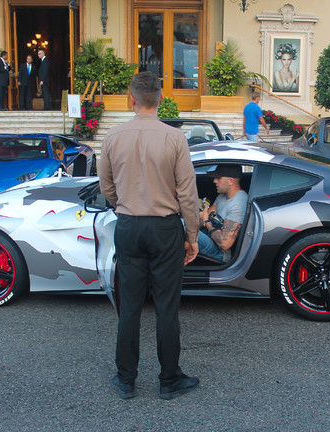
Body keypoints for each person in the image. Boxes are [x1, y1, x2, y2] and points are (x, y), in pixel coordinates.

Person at [99, 71, 200, 401]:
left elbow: (107, 188)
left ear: (131, 99)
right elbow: (187, 193)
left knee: (129, 307)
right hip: (165, 227)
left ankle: (126, 379)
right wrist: (193, 235)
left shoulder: (112, 137)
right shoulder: (174, 138)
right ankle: (169, 380)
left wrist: (123, 207)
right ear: (159, 98)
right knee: (167, 308)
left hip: (128, 225)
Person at [197, 164, 248, 263]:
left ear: (231, 181)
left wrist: (207, 223)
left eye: (218, 178)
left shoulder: (239, 203)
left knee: (180, 227)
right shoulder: (222, 197)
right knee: (181, 224)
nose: (214, 181)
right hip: (208, 237)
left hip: (220, 253)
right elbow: (204, 216)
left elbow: (225, 243)